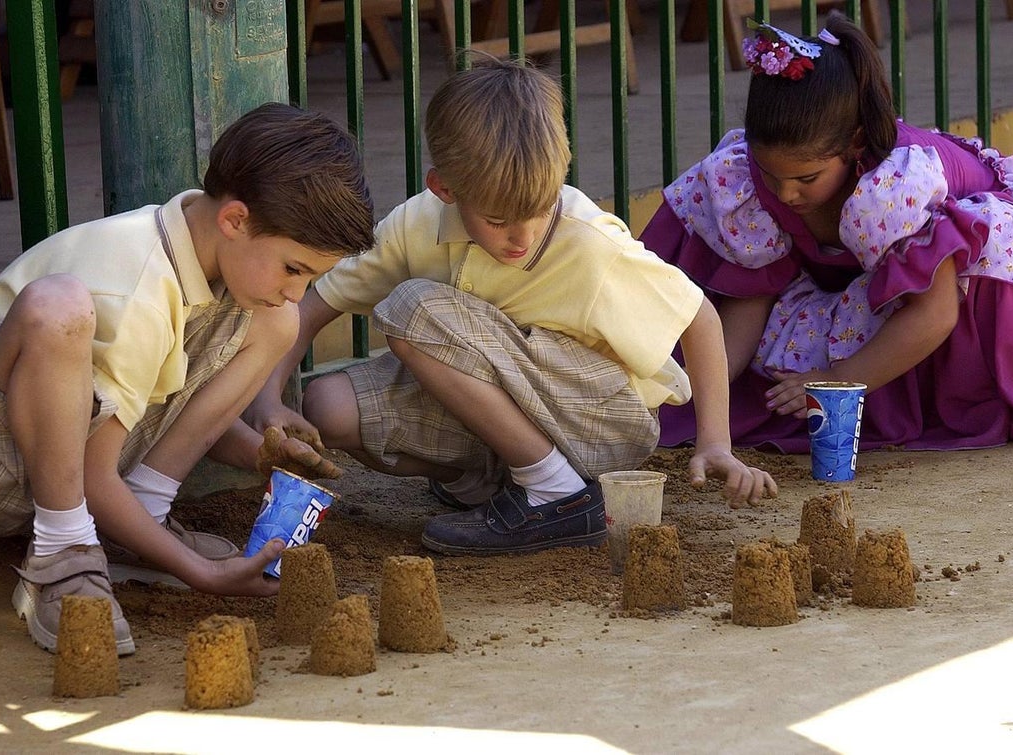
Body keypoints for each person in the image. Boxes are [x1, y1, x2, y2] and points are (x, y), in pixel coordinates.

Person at [247, 54, 777, 558]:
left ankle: (556, 493)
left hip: (602, 423)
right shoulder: (416, 225)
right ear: (444, 189)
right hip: (512, 429)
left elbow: (698, 316)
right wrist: (269, 399)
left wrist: (715, 441)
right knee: (327, 406)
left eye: (540, 209)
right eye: (498, 221)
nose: (522, 236)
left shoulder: (590, 244)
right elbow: (313, 307)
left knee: (413, 310)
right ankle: (490, 485)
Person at [0, 103, 375, 654]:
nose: (296, 292)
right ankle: (62, 552)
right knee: (57, 306)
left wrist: (258, 453)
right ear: (235, 220)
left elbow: (151, 407)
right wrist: (200, 572)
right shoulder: (138, 284)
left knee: (276, 321)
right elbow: (93, 473)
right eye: (294, 269)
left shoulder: (203, 259)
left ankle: (140, 517)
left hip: (59, 462)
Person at [639, 15, 1013, 453]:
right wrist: (697, 391)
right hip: (874, 285)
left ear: (855, 144)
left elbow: (935, 313)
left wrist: (837, 381)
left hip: (970, 288)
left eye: (807, 179)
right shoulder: (751, 182)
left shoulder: (893, 189)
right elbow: (752, 299)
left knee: (986, 257)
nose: (786, 194)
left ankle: (957, 402)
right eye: (771, 176)